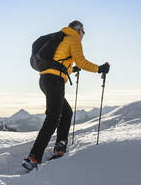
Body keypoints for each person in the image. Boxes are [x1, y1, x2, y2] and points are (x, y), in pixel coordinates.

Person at [22, 20, 110, 171]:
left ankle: (60, 145)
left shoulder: (61, 37)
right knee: (53, 118)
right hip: (55, 81)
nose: (83, 36)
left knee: (66, 112)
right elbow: (81, 61)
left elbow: (58, 60)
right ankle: (34, 157)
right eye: (83, 32)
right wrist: (99, 68)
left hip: (45, 80)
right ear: (79, 30)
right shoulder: (73, 37)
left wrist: (72, 69)